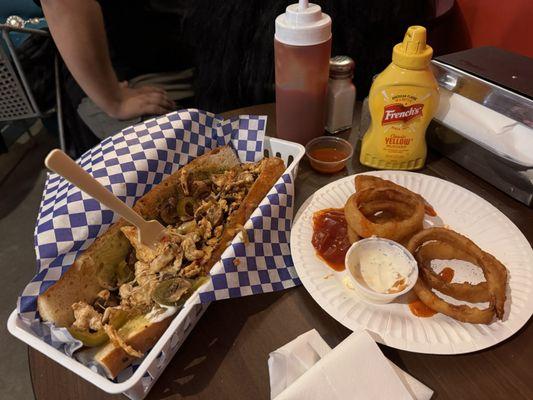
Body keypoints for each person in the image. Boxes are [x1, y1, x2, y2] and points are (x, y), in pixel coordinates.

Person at [37, 0, 195, 156]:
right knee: (178, 161)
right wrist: (115, 101)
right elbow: (63, 3)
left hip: (191, 48)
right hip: (129, 74)